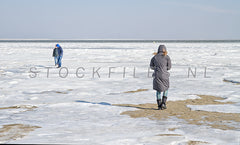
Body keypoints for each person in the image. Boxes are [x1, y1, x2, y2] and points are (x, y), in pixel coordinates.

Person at [150, 45, 171, 110]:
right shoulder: (167, 57)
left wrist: (156, 68)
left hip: (157, 75)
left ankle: (159, 105)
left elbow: (151, 66)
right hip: (165, 75)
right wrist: (164, 69)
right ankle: (163, 103)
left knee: (158, 90)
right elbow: (169, 67)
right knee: (166, 88)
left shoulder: (154, 57)